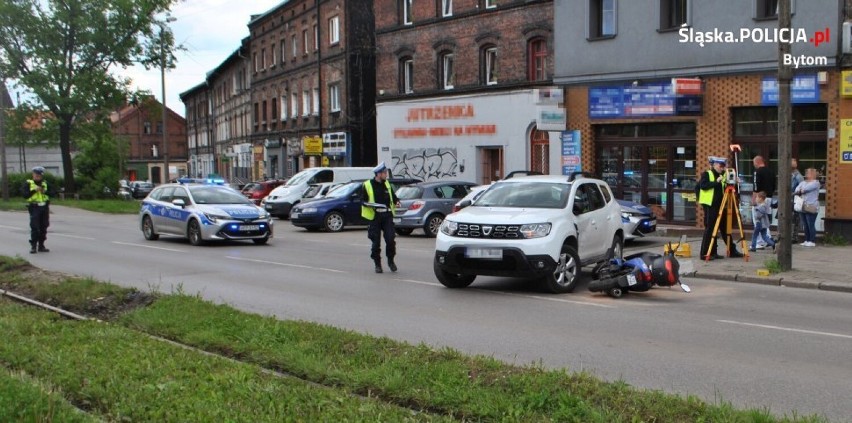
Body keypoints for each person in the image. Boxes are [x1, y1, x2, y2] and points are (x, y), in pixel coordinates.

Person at [698, 156, 744, 260]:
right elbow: (703, 186)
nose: (722, 168)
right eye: (720, 166)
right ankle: (706, 253)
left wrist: (735, 182)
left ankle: (731, 250)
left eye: (723, 166)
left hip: (722, 205)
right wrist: (716, 182)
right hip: (710, 205)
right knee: (710, 229)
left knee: (725, 228)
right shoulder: (707, 174)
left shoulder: (723, 175)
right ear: (713, 165)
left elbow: (729, 187)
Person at [360, 162, 400, 273]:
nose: (386, 174)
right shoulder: (367, 185)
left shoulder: (387, 184)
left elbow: (394, 197)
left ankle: (391, 261)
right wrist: (368, 204)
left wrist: (397, 202)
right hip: (375, 216)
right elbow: (362, 200)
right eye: (385, 173)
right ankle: (377, 264)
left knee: (390, 239)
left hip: (387, 215)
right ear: (378, 174)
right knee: (376, 242)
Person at [22, 166, 53, 254]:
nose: (37, 177)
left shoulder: (46, 183)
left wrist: (44, 191)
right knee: (35, 227)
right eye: (36, 175)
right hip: (34, 207)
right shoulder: (28, 183)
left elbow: (53, 193)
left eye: (39, 175)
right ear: (33, 174)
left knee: (44, 226)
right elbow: (25, 195)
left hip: (44, 207)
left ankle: (41, 245)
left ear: (42, 176)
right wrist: (34, 190)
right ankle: (33, 246)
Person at [752, 155, 776, 247]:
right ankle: (767, 239)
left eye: (754, 163)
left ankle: (759, 242)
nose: (754, 165)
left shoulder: (757, 172)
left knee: (757, 220)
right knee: (765, 220)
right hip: (769, 198)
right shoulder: (771, 171)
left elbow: (755, 187)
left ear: (757, 162)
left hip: (760, 198)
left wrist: (754, 200)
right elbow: (774, 185)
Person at [794, 168, 820, 247]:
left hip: (811, 206)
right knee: (805, 224)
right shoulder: (803, 182)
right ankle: (806, 240)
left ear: (812, 174)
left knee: (810, 224)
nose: (807, 174)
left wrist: (802, 190)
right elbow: (797, 189)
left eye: (808, 173)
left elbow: (806, 189)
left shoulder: (816, 183)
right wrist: (800, 190)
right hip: (802, 206)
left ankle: (812, 240)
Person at [790, 158, 804, 242]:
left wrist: (793, 194)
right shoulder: (789, 175)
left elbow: (802, 189)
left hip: (794, 199)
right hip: (788, 199)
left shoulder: (798, 176)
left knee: (794, 219)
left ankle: (794, 237)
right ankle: (790, 236)